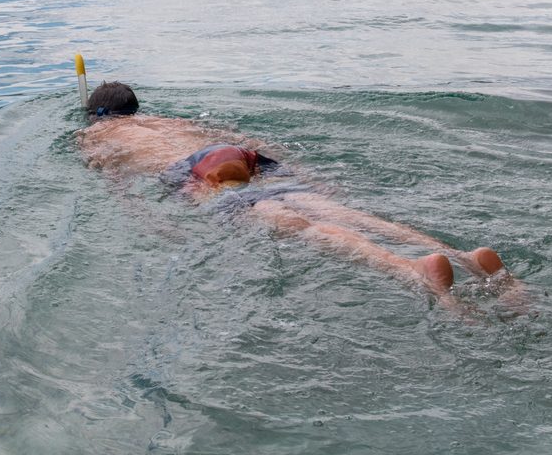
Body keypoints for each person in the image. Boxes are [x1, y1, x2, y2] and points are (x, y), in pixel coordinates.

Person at [78, 81, 514, 300]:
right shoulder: (171, 122)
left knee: (293, 224)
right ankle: (464, 257)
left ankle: (408, 268)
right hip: (233, 152)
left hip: (194, 171)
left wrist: (147, 219)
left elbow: (116, 184)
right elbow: (247, 141)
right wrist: (309, 174)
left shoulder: (98, 136)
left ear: (97, 114)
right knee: (330, 208)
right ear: (135, 107)